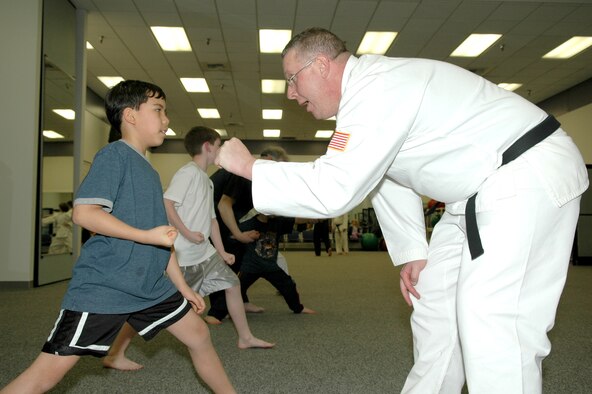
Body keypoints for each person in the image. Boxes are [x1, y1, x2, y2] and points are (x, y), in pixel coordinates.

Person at [215, 27, 589, 393]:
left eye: (293, 79)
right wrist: (413, 250)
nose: (291, 94)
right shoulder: (366, 99)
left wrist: (251, 168)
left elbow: (335, 189)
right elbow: (388, 177)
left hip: (525, 175)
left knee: (495, 317)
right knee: (434, 309)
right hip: (475, 194)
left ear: (323, 65)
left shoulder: (379, 87)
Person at [1, 80, 235, 394]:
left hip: (149, 286)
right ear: (130, 115)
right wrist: (145, 235)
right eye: (158, 110)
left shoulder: (150, 172)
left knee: (199, 337)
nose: (166, 120)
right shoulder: (114, 157)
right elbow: (84, 214)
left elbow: (162, 239)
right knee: (45, 375)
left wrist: (182, 288)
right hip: (107, 286)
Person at [103, 126, 275, 370]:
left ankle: (245, 337)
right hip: (184, 258)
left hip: (205, 253)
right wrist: (185, 232)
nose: (220, 151)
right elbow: (167, 203)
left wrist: (222, 250)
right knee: (152, 307)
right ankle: (115, 353)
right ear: (207, 146)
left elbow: (212, 219)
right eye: (218, 146)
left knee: (232, 284)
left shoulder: (207, 180)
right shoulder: (188, 173)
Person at [238, 213, 315, 315]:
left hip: (270, 266)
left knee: (289, 285)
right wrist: (246, 235)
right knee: (236, 287)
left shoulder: (278, 222)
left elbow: (296, 219)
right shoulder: (248, 224)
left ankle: (298, 308)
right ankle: (218, 313)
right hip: (251, 266)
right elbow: (231, 236)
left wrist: (311, 218)